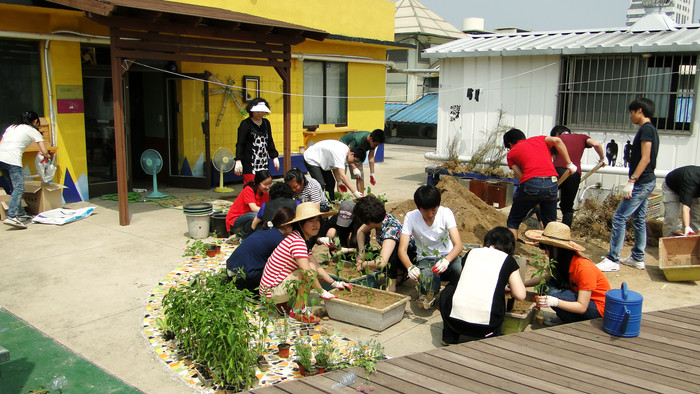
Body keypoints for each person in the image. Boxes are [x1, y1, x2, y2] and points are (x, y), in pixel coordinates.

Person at [259, 202, 353, 323]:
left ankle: (289, 305)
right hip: (271, 292)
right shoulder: (297, 241)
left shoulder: (300, 239)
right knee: (309, 272)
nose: (316, 225)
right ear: (301, 223)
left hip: (273, 288)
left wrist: (334, 283)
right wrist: (322, 292)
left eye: (317, 220)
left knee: (314, 269)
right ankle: (297, 312)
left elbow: (317, 266)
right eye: (310, 221)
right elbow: (307, 270)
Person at [598, 98, 659, 272]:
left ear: (639, 110)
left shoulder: (646, 129)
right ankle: (638, 257)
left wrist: (632, 180)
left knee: (619, 217)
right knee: (639, 219)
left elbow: (645, 158)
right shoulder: (650, 129)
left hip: (641, 181)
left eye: (631, 113)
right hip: (646, 180)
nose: (630, 116)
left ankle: (613, 259)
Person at [439, 226, 526, 345]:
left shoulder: (471, 253)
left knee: (448, 291)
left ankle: (450, 337)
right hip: (487, 328)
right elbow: (520, 295)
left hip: (455, 323)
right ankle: (491, 336)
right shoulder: (508, 260)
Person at [525, 222, 611, 324]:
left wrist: (555, 302)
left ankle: (570, 319)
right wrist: (521, 285)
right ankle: (566, 317)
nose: (546, 253)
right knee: (544, 286)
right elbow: (545, 278)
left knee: (552, 293)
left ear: (558, 249)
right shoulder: (561, 263)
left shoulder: (584, 268)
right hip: (581, 300)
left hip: (597, 309)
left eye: (547, 249)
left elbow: (582, 307)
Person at [503, 128, 576, 241]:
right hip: (552, 182)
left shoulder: (511, 154)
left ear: (509, 143)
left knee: (513, 222)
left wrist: (531, 197)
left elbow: (521, 177)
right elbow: (557, 141)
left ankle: (509, 253)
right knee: (550, 226)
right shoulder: (539, 140)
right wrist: (569, 163)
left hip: (531, 183)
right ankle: (552, 257)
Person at [398, 185, 463, 308]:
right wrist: (410, 267)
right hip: (426, 258)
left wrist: (447, 260)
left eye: (434, 209)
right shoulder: (411, 217)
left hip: (447, 256)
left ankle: (453, 292)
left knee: (459, 269)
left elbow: (458, 245)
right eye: (425, 210)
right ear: (418, 208)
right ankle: (430, 293)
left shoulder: (446, 213)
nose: (430, 214)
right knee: (427, 277)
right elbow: (402, 250)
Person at [353, 196, 417, 293]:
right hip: (396, 255)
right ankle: (399, 272)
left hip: (410, 257)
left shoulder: (390, 229)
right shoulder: (380, 217)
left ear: (369, 222)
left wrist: (365, 264)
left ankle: (392, 284)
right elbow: (360, 231)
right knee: (379, 254)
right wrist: (361, 254)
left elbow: (382, 262)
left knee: (391, 250)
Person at [226, 206, 295, 294]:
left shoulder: (267, 230)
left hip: (230, 271)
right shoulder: (280, 240)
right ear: (286, 226)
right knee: (286, 271)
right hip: (241, 279)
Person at [0, 111, 51, 229]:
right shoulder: (33, 131)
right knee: (19, 188)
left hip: (1, 159)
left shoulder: (11, 127)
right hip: (12, 160)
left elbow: (1, 142)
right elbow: (43, 151)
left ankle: (19, 213)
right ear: (34, 121)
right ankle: (11, 216)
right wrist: (48, 156)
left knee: (14, 187)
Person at [550, 125, 605, 227]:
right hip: (574, 174)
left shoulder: (556, 139)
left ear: (556, 133)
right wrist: (602, 158)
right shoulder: (582, 137)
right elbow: (596, 144)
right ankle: (564, 234)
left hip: (556, 171)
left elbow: (552, 158)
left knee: (549, 201)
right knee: (567, 208)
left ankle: (549, 229)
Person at [234, 98, 279, 184]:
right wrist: (238, 160)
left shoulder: (266, 123)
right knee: (251, 186)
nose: (260, 114)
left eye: (262, 112)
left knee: (264, 184)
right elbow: (240, 143)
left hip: (263, 162)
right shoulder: (245, 124)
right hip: (250, 163)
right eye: (258, 111)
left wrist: (274, 156)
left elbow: (269, 140)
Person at [225, 170, 272, 237]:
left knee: (260, 219)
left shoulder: (265, 193)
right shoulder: (248, 189)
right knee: (256, 215)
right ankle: (245, 236)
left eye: (270, 184)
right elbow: (254, 208)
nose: (268, 187)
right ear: (258, 183)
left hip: (249, 221)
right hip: (235, 221)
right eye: (265, 184)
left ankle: (248, 236)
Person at [662, 165, 700, 237]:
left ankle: (693, 243)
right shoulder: (690, 181)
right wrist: (686, 226)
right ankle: (669, 244)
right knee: (671, 218)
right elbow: (686, 208)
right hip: (671, 188)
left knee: (697, 219)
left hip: (694, 190)